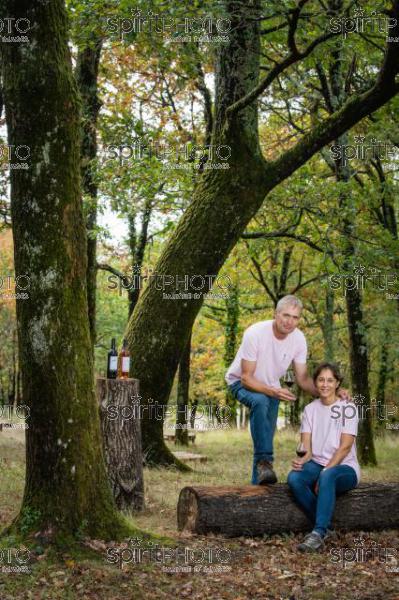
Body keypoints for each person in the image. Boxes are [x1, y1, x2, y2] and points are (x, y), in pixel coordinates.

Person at [225, 295, 349, 485]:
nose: (290, 322)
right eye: (286, 315)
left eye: (295, 317)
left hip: (271, 389)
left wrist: (331, 391)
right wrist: (273, 392)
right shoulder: (255, 333)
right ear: (276, 314)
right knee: (260, 401)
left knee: (265, 436)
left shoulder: (298, 339)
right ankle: (266, 461)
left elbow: (303, 379)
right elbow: (246, 377)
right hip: (240, 383)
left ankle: (257, 486)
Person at [287, 362, 360, 553]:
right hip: (317, 463)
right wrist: (302, 460)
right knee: (294, 478)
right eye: (321, 380)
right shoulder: (310, 410)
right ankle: (326, 528)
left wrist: (325, 471)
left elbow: (345, 447)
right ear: (315, 382)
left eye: (330, 380)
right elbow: (307, 448)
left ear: (337, 384)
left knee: (328, 476)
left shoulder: (348, 408)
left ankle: (318, 533)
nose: (325, 384)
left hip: (345, 468)